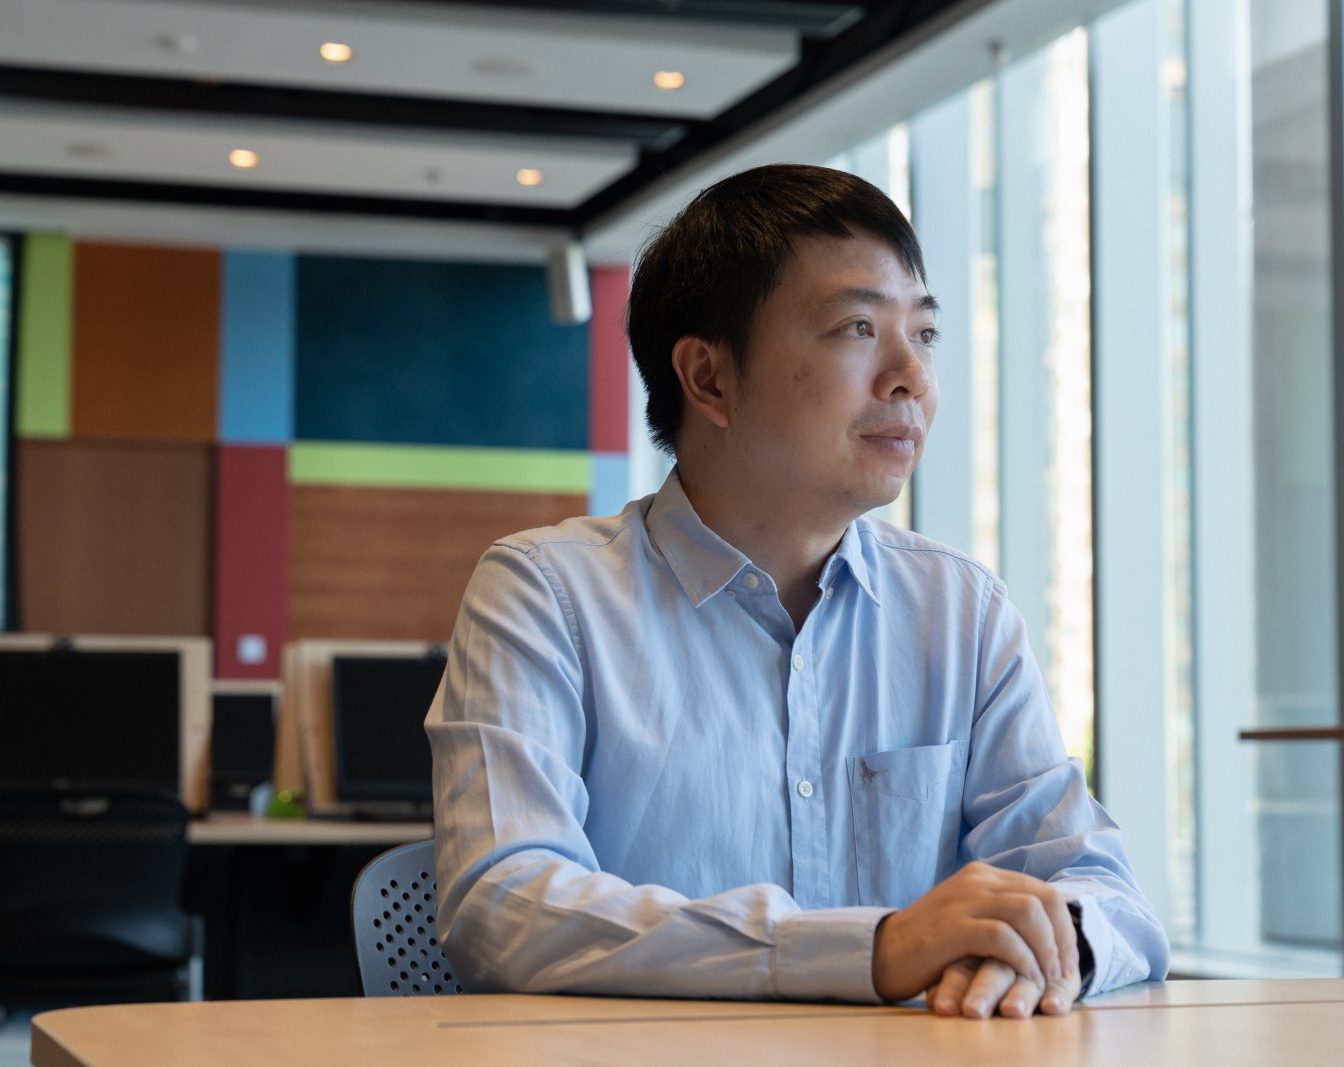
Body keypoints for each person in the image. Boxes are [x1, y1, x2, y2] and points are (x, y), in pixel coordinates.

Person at [425, 163, 1169, 1018]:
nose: (911, 378)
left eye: (924, 335)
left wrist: (1045, 946)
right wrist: (872, 948)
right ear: (708, 378)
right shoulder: (546, 593)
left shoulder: (960, 611)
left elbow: (1107, 894)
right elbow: (504, 902)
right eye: (858, 327)